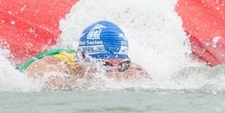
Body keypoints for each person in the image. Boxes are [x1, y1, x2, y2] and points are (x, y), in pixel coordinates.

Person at [19, 21, 147, 88]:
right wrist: (88, 84)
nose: (114, 76)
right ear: (83, 58)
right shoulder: (55, 65)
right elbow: (48, 80)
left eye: (121, 66)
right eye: (105, 65)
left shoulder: (130, 68)